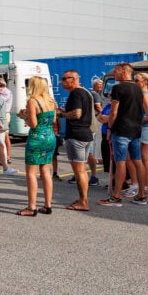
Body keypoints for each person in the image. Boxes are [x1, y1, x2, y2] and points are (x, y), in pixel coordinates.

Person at [100, 63, 146, 207]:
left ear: (123, 72)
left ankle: (116, 197)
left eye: (116, 71)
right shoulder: (138, 88)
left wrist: (109, 128)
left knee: (120, 162)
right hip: (135, 129)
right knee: (137, 161)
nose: (114, 73)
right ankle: (141, 195)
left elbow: (114, 111)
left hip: (121, 130)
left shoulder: (118, 88)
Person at [16, 76, 57, 216]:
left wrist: (24, 116)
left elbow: (33, 124)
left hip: (37, 138)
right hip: (50, 137)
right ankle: (48, 205)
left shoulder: (32, 101)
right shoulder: (51, 100)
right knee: (46, 171)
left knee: (31, 173)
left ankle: (31, 207)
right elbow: (54, 120)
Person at [59, 70, 97, 211]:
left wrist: (61, 114)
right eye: (62, 78)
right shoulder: (85, 92)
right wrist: (64, 111)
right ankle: (83, 199)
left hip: (76, 135)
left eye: (65, 78)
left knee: (79, 171)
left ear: (74, 79)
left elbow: (76, 114)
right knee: (82, 170)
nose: (62, 81)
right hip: (85, 134)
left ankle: (83, 202)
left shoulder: (76, 93)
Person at [132, 73, 148, 199]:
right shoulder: (147, 93)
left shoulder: (145, 94)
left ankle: (143, 186)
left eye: (137, 80)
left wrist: (136, 124)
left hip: (143, 129)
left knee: (140, 159)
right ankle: (146, 187)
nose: (134, 82)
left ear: (145, 82)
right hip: (145, 128)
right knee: (143, 158)